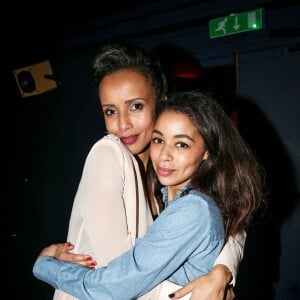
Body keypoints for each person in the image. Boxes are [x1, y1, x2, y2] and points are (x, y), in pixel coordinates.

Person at [37, 42, 246, 300]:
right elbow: (120, 284)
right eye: (110, 111)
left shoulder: (166, 178)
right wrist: (44, 266)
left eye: (135, 106)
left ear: (161, 105)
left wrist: (223, 271)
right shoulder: (108, 155)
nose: (123, 124)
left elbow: (232, 220)